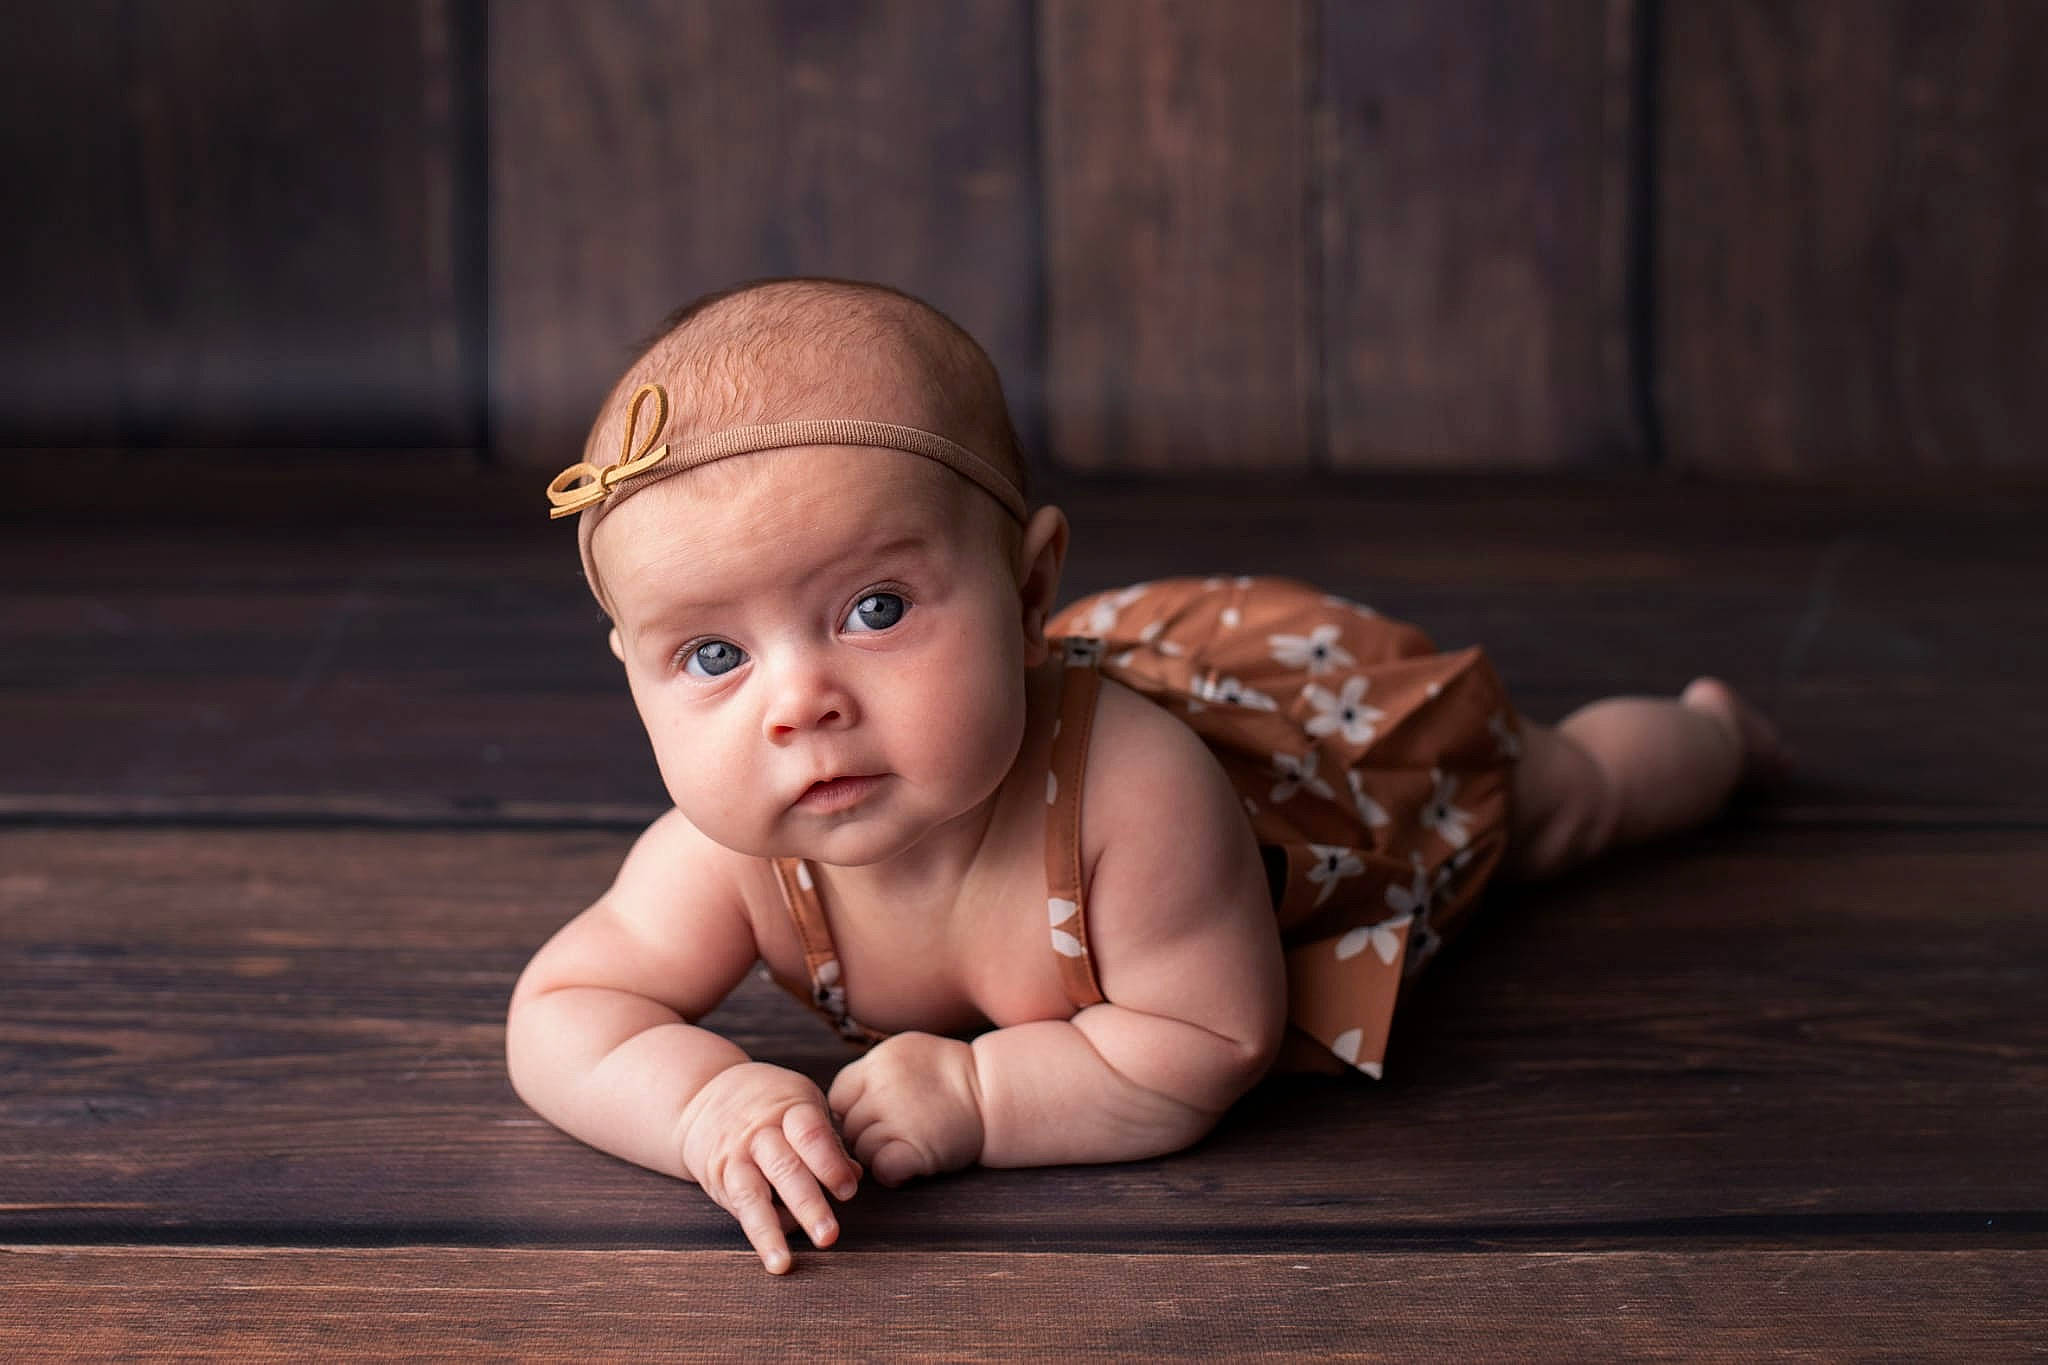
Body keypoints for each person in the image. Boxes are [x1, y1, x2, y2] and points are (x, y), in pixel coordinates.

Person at [505, 277, 1790, 1275]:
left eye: (876, 608)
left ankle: (1707, 739)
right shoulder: (728, 848)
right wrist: (700, 1106)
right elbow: (564, 1008)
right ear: (634, 671)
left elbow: (1206, 1039)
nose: (798, 704)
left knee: (1559, 802)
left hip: (1331, 766)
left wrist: (977, 1093)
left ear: (1026, 596)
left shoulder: (1133, 793)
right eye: (713, 653)